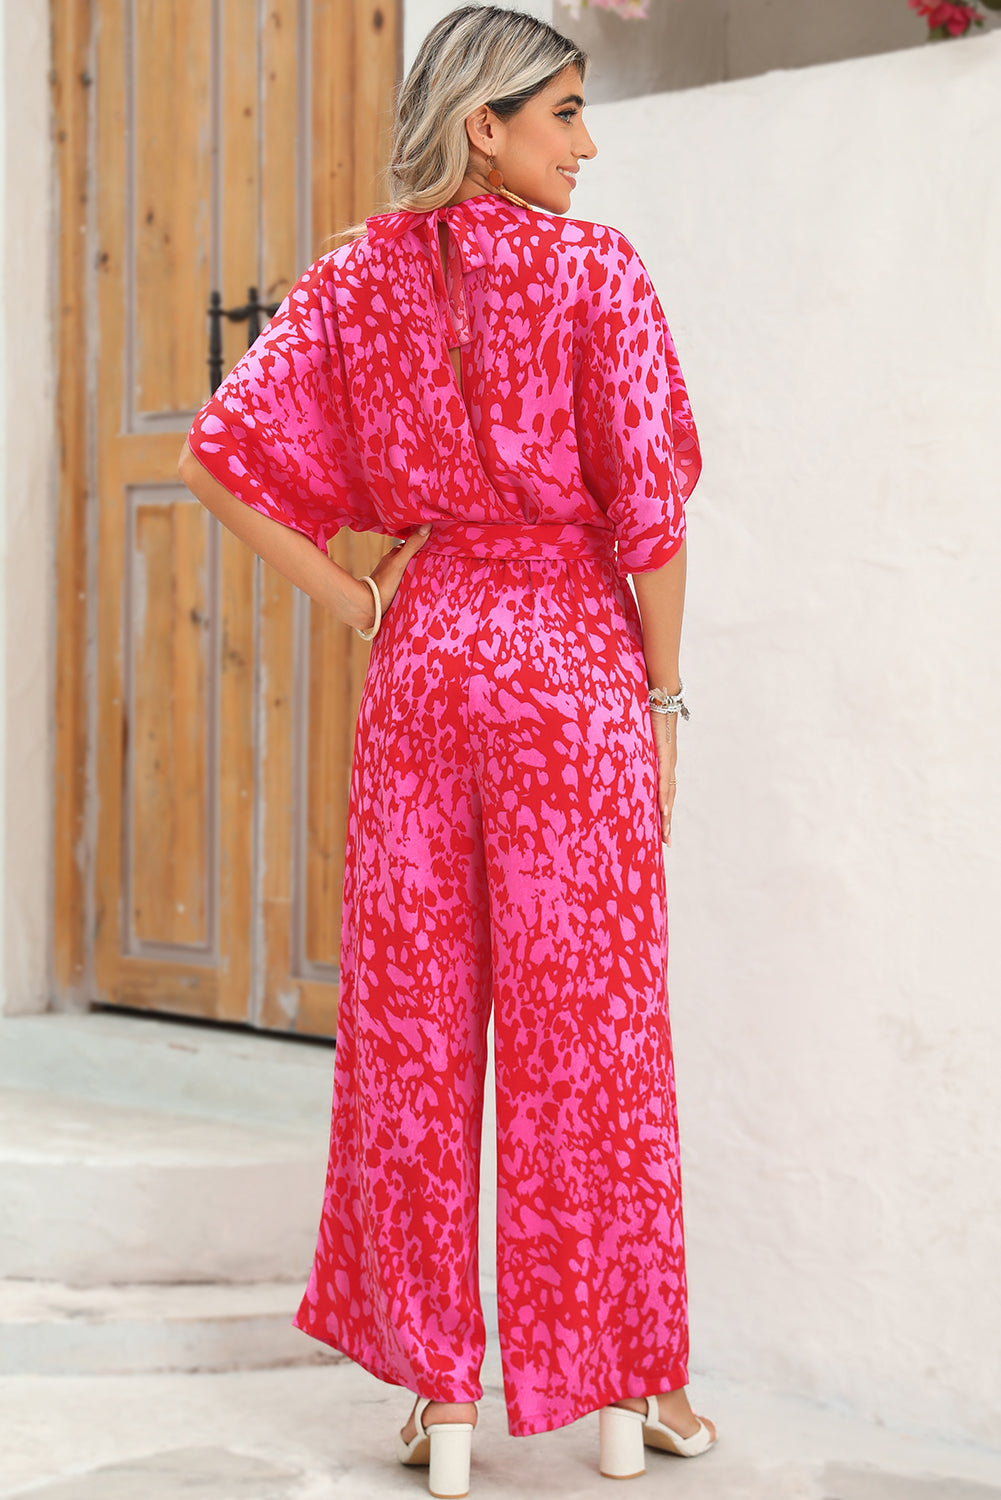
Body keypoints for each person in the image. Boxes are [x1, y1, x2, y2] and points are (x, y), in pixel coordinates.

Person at [178, 5, 716, 1494]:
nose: (586, 144)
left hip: (425, 667)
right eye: (562, 115)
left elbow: (218, 457)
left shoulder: (354, 278)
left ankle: (438, 1398)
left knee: (416, 1032)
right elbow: (650, 518)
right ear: (483, 124)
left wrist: (361, 598)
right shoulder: (599, 274)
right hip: (566, 669)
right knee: (591, 1033)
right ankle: (623, 1388)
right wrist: (665, 700)